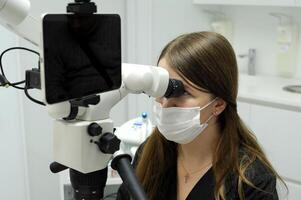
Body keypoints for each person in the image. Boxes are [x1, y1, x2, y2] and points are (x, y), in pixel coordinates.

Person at [117, 31, 285, 200]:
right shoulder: (150, 153)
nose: (166, 104)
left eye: (183, 93)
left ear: (218, 105)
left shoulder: (252, 181)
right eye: (162, 89)